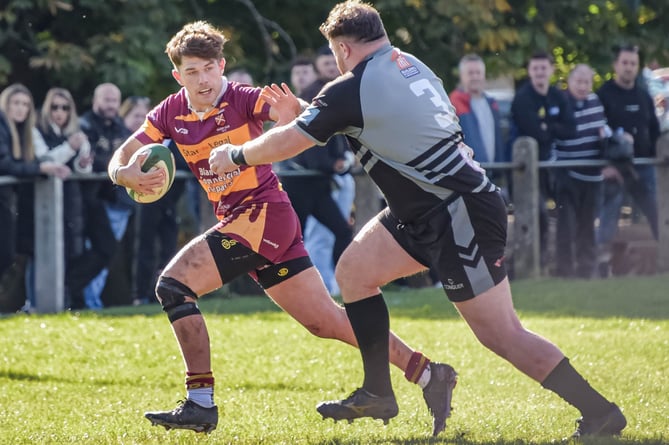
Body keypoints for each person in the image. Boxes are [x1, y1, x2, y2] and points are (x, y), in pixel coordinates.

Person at [209, 1, 626, 439]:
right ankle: (377, 391)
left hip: (457, 214)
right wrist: (310, 112)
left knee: (502, 335)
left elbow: (296, 139)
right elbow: (353, 117)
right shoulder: (412, 65)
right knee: (354, 273)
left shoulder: (352, 87)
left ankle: (600, 412)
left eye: (334, 53)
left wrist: (235, 155)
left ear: (344, 48)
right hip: (428, 210)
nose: (335, 62)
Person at [109, 20, 457, 436]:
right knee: (325, 322)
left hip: (261, 213)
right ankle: (428, 374)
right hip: (252, 221)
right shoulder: (169, 112)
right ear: (177, 75)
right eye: (192, 72)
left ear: (222, 66)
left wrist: (289, 118)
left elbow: (295, 118)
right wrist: (124, 174)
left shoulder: (241, 99)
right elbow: (122, 155)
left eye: (208, 68)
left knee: (173, 286)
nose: (203, 80)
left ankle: (200, 401)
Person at [281, 45, 355, 295]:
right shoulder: (315, 97)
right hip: (301, 183)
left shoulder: (334, 93)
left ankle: (339, 283)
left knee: (339, 231)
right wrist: (330, 163)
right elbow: (310, 143)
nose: (331, 70)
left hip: (319, 184)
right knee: (296, 239)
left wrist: (339, 160)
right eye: (325, 65)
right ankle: (294, 288)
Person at [0, 84, 71, 311]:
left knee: (9, 254)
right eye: (16, 103)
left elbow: (19, 163)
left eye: (25, 104)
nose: (20, 109)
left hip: (8, 201)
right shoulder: (2, 127)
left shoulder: (23, 132)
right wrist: (42, 168)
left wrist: (42, 166)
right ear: (6, 104)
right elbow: (6, 165)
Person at [66, 82, 132, 310]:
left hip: (102, 200)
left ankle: (71, 290)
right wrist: (114, 166)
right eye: (107, 100)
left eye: (115, 100)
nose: (112, 105)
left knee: (106, 249)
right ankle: (71, 295)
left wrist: (112, 166)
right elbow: (92, 160)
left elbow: (127, 156)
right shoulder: (84, 125)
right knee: (76, 248)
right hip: (78, 198)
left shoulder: (119, 127)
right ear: (96, 101)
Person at [595, 44, 660, 277]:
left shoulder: (643, 96)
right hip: (615, 169)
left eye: (633, 63)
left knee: (658, 214)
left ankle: (664, 262)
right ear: (616, 65)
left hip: (644, 168)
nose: (629, 68)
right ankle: (601, 266)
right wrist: (604, 165)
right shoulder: (603, 95)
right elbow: (596, 133)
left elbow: (654, 130)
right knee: (608, 218)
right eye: (625, 63)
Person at [510, 51, 576, 270]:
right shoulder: (522, 98)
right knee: (537, 215)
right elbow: (535, 133)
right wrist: (551, 128)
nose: (539, 72)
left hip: (555, 167)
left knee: (566, 212)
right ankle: (532, 265)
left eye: (543, 68)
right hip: (528, 170)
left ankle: (563, 266)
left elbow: (570, 129)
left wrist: (548, 126)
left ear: (550, 70)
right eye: (535, 68)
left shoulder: (558, 95)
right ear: (529, 71)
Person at [122, 96, 189, 305]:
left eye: (143, 115)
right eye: (136, 116)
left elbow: (186, 164)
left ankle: (163, 293)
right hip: (144, 201)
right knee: (145, 246)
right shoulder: (135, 142)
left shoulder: (175, 139)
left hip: (169, 202)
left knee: (169, 247)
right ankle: (140, 294)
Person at [32, 87, 92, 310]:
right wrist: (70, 148)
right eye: (55, 107)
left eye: (65, 108)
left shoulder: (76, 132)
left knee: (73, 251)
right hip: (43, 203)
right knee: (41, 255)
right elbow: (46, 160)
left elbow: (83, 168)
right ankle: (39, 304)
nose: (59, 112)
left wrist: (83, 161)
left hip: (71, 200)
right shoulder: (37, 130)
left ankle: (67, 300)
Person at [552, 65, 609, 278]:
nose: (583, 86)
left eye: (587, 82)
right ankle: (564, 271)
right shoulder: (561, 102)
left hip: (593, 175)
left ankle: (587, 270)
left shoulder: (595, 102)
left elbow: (602, 131)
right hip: (568, 173)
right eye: (579, 81)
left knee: (588, 226)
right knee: (566, 226)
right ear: (570, 81)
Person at [449, 54, 506, 173]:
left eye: (478, 72)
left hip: (491, 172)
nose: (475, 77)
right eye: (470, 73)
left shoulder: (492, 104)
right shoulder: (454, 103)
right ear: (462, 76)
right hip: (467, 173)